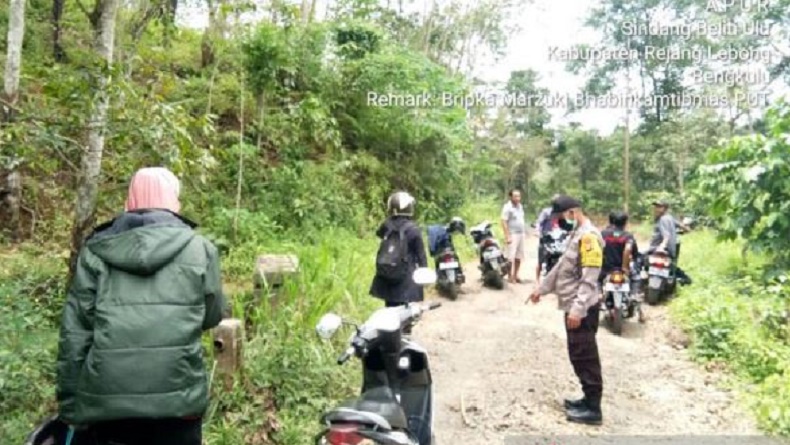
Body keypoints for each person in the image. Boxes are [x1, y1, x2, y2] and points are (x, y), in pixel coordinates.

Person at [56, 167, 227, 445]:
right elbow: (212, 315)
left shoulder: (96, 251)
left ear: (130, 200)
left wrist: (69, 407)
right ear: (173, 200)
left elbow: (75, 335)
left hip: (107, 407)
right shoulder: (200, 249)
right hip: (178, 400)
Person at [527, 195, 604, 425]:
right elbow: (561, 267)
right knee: (577, 354)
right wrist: (541, 289)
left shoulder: (589, 237)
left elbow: (590, 278)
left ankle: (594, 409)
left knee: (586, 355)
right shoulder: (576, 235)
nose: (559, 222)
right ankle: (586, 398)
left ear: (573, 212)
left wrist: (578, 310)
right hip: (572, 305)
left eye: (562, 217)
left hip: (582, 308)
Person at [370, 191, 428, 308]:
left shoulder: (386, 225)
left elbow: (380, 235)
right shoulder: (413, 229)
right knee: (406, 317)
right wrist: (424, 273)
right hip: (406, 281)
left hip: (386, 277)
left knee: (389, 310)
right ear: (409, 207)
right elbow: (421, 256)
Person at [600, 211, 644, 322]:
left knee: (595, 280)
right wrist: (627, 267)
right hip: (622, 271)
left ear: (612, 221)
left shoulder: (603, 234)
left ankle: (598, 296)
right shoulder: (628, 236)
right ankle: (634, 295)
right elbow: (631, 252)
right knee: (636, 278)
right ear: (625, 223)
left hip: (606, 270)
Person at [650, 200, 692, 285]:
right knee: (672, 265)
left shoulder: (662, 219)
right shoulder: (670, 218)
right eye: (656, 207)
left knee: (638, 259)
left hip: (657, 249)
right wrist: (686, 229)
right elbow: (683, 227)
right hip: (671, 250)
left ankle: (636, 287)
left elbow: (666, 235)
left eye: (659, 207)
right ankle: (684, 278)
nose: (656, 209)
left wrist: (662, 246)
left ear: (665, 209)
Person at [501, 189, 528, 284]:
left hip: (521, 233)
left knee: (519, 256)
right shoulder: (507, 207)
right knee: (510, 256)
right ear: (511, 197)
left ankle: (516, 275)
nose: (517, 198)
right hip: (512, 234)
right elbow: (504, 221)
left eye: (519, 196)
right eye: (515, 196)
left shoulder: (520, 206)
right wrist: (507, 236)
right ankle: (509, 276)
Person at [535, 194, 561, 284]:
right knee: (541, 259)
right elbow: (539, 223)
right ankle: (537, 280)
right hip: (546, 238)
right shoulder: (546, 212)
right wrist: (538, 232)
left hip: (559, 240)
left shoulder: (563, 213)